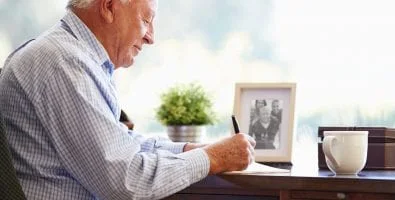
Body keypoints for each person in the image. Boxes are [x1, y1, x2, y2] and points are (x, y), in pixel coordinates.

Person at [0, 0, 255, 199]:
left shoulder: (70, 56)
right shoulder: (65, 63)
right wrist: (212, 158)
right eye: (146, 20)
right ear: (109, 7)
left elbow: (119, 144)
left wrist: (188, 150)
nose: (151, 37)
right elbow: (126, 181)